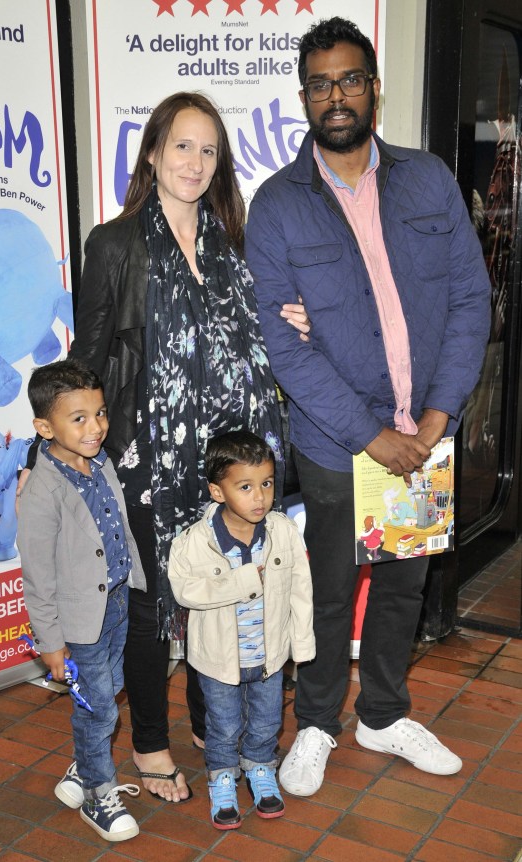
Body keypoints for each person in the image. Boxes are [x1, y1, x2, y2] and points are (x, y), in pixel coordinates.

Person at [34, 92, 309, 803]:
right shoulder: (117, 243)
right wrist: (68, 451)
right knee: (155, 606)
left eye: (208, 150)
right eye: (181, 146)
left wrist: (293, 319)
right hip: (146, 461)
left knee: (215, 593)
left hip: (226, 467)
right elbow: (88, 360)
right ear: (153, 153)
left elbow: (258, 340)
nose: (194, 161)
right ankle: (151, 748)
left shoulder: (232, 245)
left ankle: (204, 721)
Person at [245, 16, 491, 796]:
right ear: (304, 98)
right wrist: (369, 435)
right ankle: (316, 722)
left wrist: (437, 417)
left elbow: (468, 298)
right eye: (320, 84)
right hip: (332, 442)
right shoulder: (277, 204)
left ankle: (383, 713)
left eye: (350, 79)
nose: (336, 96)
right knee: (326, 586)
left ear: (374, 89)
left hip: (425, 432)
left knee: (403, 581)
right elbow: (285, 348)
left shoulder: (429, 179)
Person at [17, 358, 147, 842]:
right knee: (99, 709)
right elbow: (38, 576)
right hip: (77, 620)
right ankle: (97, 791)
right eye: (79, 419)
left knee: (107, 691)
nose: (96, 428)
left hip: (113, 604)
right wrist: (50, 643)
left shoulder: (101, 461)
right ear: (44, 426)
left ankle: (81, 766)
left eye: (100, 413)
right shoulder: (41, 491)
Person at [168, 430, 315, 829]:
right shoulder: (194, 543)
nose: (260, 497)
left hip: (269, 654)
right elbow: (185, 590)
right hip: (218, 660)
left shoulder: (283, 531)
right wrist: (246, 579)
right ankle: (222, 776)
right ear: (218, 492)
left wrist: (300, 645)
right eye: (245, 487)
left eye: (266, 484)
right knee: (224, 723)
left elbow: (301, 590)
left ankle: (261, 767)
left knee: (268, 719)